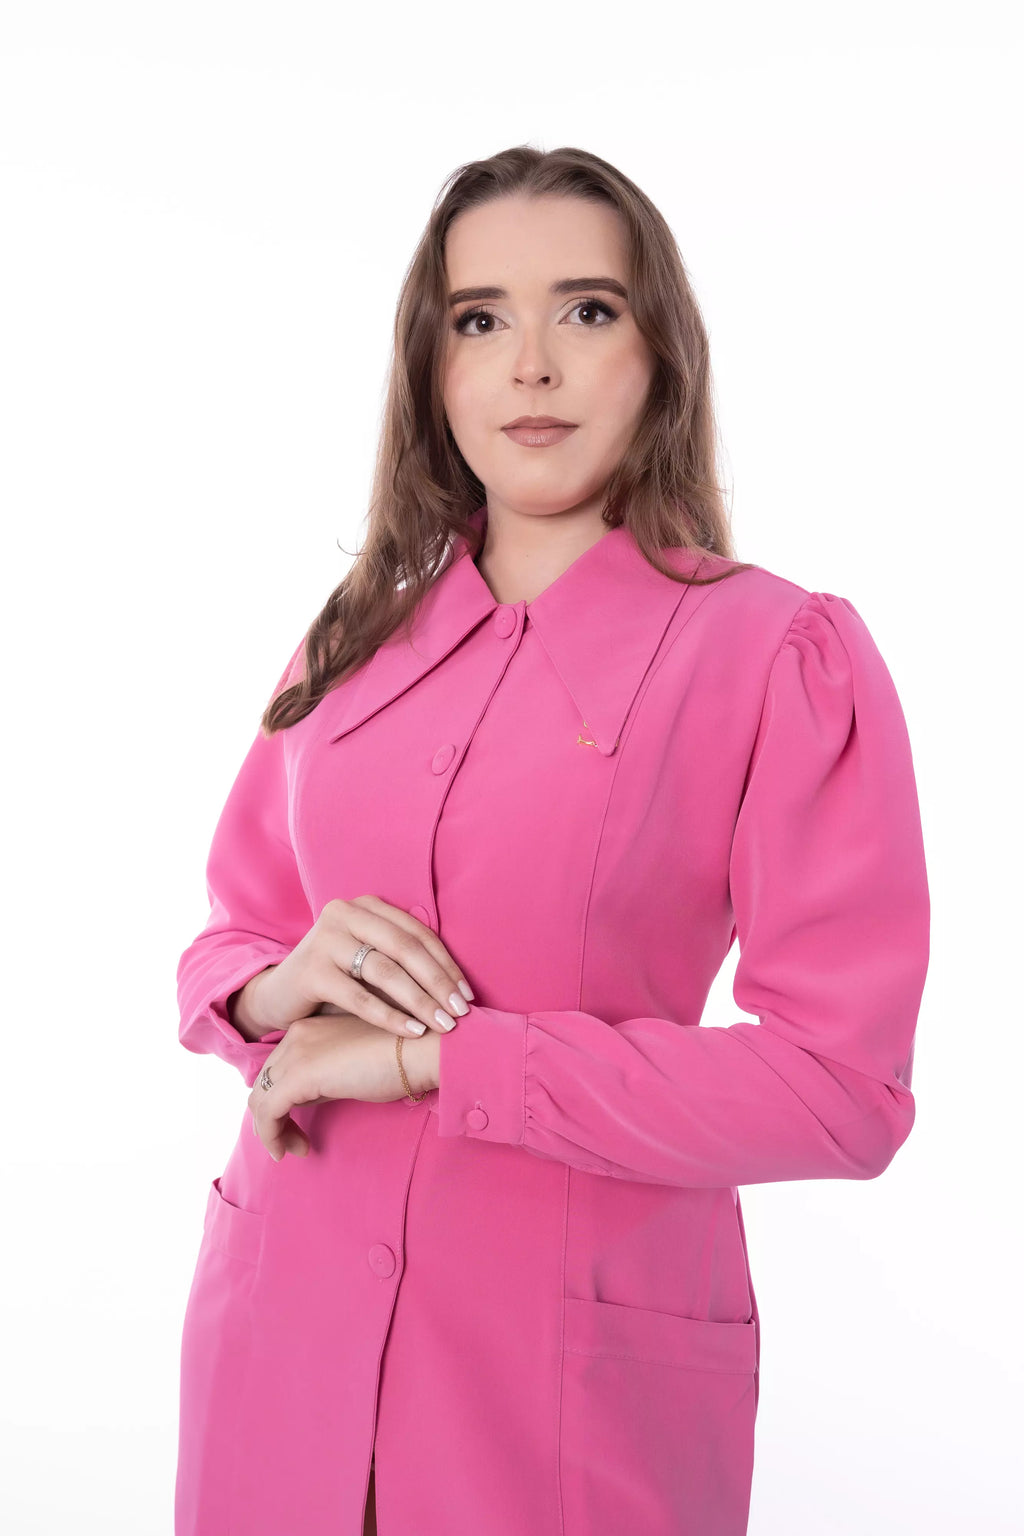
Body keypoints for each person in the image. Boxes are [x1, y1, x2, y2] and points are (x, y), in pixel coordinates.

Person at [173, 145, 929, 1536]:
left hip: (561, 1396)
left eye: (586, 310)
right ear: (432, 368)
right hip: (279, 1342)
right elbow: (228, 942)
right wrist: (277, 991)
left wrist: (439, 1060)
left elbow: (841, 1090)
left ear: (660, 352)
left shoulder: (776, 654)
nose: (531, 365)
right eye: (480, 319)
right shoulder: (353, 640)